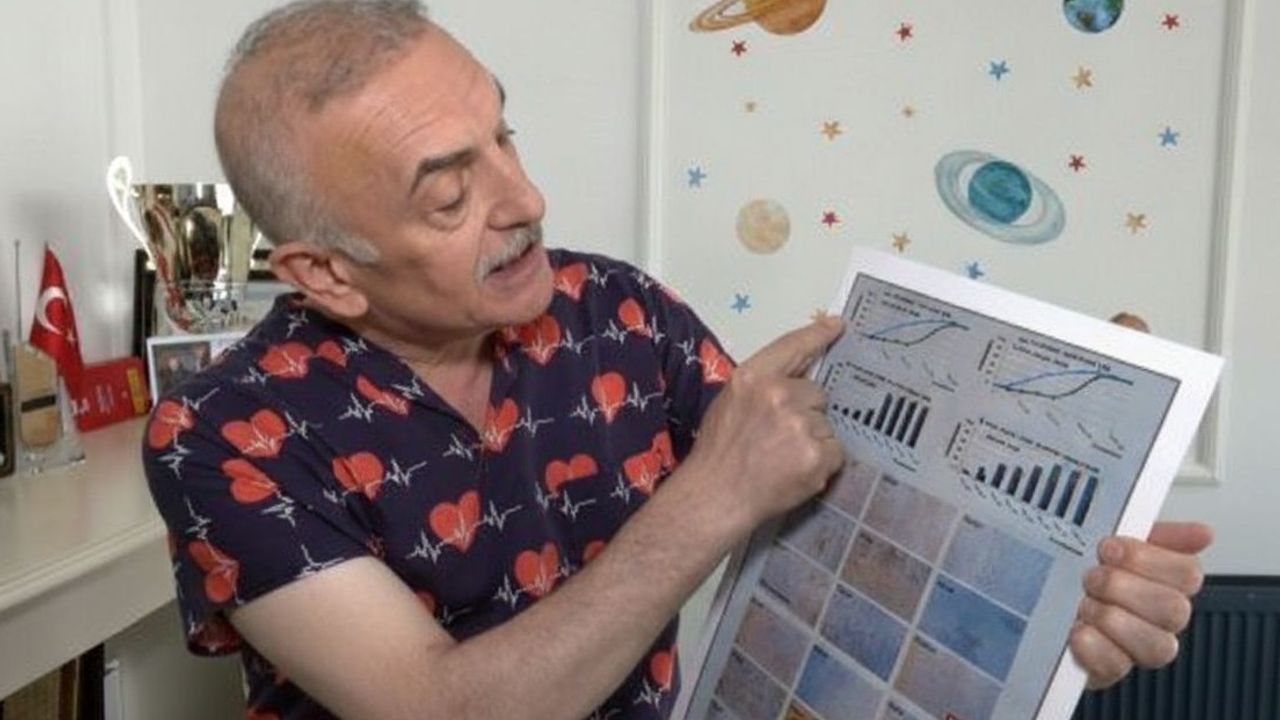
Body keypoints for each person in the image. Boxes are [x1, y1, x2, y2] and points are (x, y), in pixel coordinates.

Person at [141, 2, 1213, 718]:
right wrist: (712, 497)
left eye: (504, 136)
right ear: (326, 274)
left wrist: (1062, 609)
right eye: (451, 192)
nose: (526, 200)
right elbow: (441, 711)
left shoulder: (617, 313)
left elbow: (849, 533)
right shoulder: (221, 435)